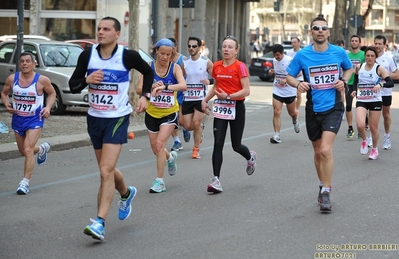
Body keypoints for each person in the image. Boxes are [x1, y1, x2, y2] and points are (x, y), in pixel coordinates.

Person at [68, 16, 154, 241]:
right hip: (94, 118)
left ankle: (99, 222)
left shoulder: (127, 56)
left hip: (117, 117)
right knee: (106, 169)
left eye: (106, 29)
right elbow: (73, 85)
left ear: (117, 34)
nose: (101, 32)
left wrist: (145, 96)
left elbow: (148, 71)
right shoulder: (88, 55)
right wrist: (87, 80)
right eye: (99, 28)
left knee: (105, 170)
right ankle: (126, 193)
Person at [286, 16, 352, 211]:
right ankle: (322, 183)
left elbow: (348, 70)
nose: (320, 31)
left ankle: (326, 191)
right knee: (316, 152)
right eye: (316, 28)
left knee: (325, 150)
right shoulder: (302, 55)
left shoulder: (339, 52)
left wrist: (344, 80)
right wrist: (298, 84)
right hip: (313, 108)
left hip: (334, 107)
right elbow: (289, 76)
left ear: (328, 32)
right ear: (311, 32)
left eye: (324, 28)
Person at [201, 35, 257, 193]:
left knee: (236, 145)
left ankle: (250, 157)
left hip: (236, 105)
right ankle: (216, 180)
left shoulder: (240, 66)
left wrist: (229, 96)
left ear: (236, 50)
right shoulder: (217, 66)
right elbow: (216, 87)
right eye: (224, 46)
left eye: (230, 47)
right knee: (218, 143)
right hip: (221, 107)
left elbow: (246, 90)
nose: (226, 49)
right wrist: (204, 100)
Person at [1, 52, 56, 195]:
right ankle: (42, 149)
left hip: (34, 119)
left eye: (27, 61)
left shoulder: (42, 80)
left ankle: (25, 183)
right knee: (23, 151)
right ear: (19, 64)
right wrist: (7, 104)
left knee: (27, 149)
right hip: (18, 119)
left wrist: (48, 107)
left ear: (34, 64)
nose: (24, 64)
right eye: (22, 61)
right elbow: (4, 93)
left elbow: (52, 93)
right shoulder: (12, 79)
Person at [137, 38, 186, 193]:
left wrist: (166, 86)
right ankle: (170, 158)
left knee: (159, 145)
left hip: (169, 113)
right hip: (152, 113)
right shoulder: (148, 67)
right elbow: (139, 89)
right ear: (156, 51)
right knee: (156, 149)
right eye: (162, 53)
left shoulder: (175, 68)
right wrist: (151, 86)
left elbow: (183, 85)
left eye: (168, 54)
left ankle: (160, 182)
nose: (165, 57)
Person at [350, 46, 393, 160]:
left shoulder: (379, 68)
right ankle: (364, 140)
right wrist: (354, 90)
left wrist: (380, 84)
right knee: (360, 125)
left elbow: (390, 82)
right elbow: (355, 81)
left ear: (375, 57)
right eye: (367, 56)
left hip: (375, 100)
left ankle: (374, 149)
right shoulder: (359, 67)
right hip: (362, 99)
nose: (369, 58)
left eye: (372, 56)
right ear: (365, 57)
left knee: (373, 128)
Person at [182, 36, 213, 158]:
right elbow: (179, 78)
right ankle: (200, 130)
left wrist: (209, 81)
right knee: (188, 126)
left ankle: (196, 150)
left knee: (195, 123)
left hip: (201, 98)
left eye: (194, 46)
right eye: (189, 46)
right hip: (187, 98)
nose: (191, 48)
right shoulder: (184, 63)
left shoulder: (206, 62)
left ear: (199, 47)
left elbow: (218, 77)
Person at [268, 44, 300, 144]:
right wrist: (273, 71)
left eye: (278, 55)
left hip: (289, 91)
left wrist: (286, 80)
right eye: (274, 55)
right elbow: (279, 72)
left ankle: (295, 120)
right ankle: (276, 135)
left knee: (292, 113)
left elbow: (299, 73)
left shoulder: (289, 60)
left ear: (282, 53)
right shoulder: (274, 60)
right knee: (276, 112)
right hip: (277, 90)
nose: (276, 57)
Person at [373, 35, 399, 150]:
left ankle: (387, 136)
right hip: (372, 91)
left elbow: (397, 74)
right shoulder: (370, 56)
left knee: (386, 114)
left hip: (385, 91)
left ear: (384, 45)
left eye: (379, 44)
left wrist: (383, 75)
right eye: (376, 43)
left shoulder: (389, 58)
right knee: (372, 115)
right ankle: (371, 137)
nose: (377, 46)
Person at [168, 37, 191, 151]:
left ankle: (189, 127)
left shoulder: (183, 60)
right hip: (169, 93)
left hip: (181, 92)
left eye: (170, 47)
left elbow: (190, 75)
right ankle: (177, 141)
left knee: (181, 121)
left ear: (175, 47)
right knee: (169, 118)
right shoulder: (164, 59)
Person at [345, 35, 365, 139]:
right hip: (349, 84)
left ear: (359, 43)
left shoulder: (363, 55)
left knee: (360, 107)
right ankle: (350, 128)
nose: (354, 42)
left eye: (356, 41)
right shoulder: (347, 56)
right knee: (348, 106)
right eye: (352, 41)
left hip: (360, 84)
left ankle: (361, 127)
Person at [286, 37, 303, 117]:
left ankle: (297, 109)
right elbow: (288, 65)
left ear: (299, 43)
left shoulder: (302, 52)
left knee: (299, 95)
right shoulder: (289, 53)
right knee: (293, 95)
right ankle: (293, 108)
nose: (293, 44)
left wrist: (301, 72)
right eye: (292, 42)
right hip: (292, 76)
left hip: (300, 77)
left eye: (295, 42)